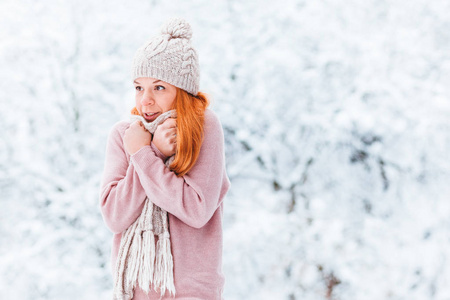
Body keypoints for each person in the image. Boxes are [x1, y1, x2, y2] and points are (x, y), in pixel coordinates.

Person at [99, 17, 231, 300]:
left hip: (191, 292)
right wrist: (149, 151)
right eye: (138, 87)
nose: (145, 100)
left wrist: (145, 156)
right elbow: (114, 216)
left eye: (158, 88)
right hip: (134, 290)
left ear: (181, 91)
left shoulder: (203, 126)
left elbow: (197, 210)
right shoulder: (126, 135)